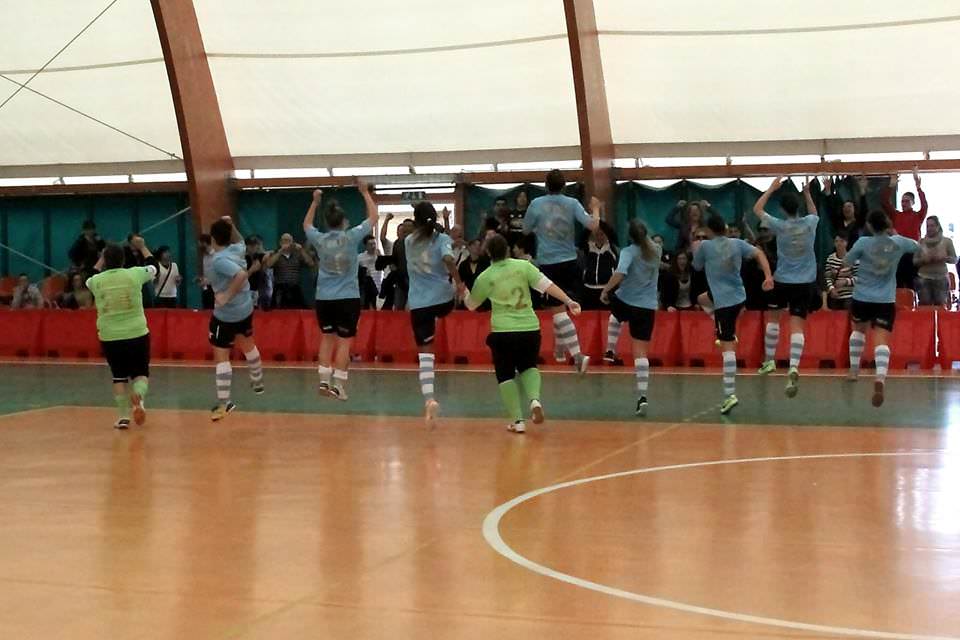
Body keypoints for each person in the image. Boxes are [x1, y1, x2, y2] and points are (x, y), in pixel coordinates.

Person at [464, 234, 580, 433]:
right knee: (529, 366)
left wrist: (465, 293)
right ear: (508, 249)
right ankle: (534, 400)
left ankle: (518, 421)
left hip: (503, 331)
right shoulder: (524, 266)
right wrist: (569, 301)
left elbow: (472, 305)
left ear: (489, 253)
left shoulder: (485, 276)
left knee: (505, 375)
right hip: (529, 328)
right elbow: (547, 285)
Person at [303, 183, 378, 400]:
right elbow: (374, 217)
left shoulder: (319, 239)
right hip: (348, 298)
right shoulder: (351, 237)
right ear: (344, 222)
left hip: (324, 298)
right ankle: (338, 384)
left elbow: (306, 224)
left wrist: (315, 202)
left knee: (327, 338)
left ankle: (323, 380)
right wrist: (365, 192)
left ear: (327, 223)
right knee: (344, 342)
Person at [693, 214, 774, 414]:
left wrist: (695, 248)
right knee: (702, 299)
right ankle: (722, 329)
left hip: (724, 303)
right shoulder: (737, 243)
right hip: (739, 298)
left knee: (727, 347)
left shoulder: (705, 246)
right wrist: (768, 276)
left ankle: (730, 394)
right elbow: (759, 253)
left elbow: (696, 266)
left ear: (709, 230)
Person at [523, 169, 600, 373]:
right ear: (564, 186)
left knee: (557, 311)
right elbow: (593, 225)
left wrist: (539, 228)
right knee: (557, 307)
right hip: (570, 262)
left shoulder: (536, 204)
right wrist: (596, 208)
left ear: (546, 185)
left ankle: (578, 356)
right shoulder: (572, 203)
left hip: (548, 263)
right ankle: (559, 349)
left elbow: (525, 229)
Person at [844, 210, 920, 407]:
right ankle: (880, 378)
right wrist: (894, 234)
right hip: (885, 300)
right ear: (887, 224)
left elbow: (847, 262)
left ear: (869, 226)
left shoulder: (863, 243)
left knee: (858, 331)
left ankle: (854, 370)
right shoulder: (899, 242)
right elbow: (917, 246)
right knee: (881, 340)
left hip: (861, 297)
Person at [752, 177, 819, 398]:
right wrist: (807, 193)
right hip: (805, 282)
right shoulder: (810, 223)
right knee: (797, 326)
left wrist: (771, 188)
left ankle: (770, 360)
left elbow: (757, 209)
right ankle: (794, 366)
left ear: (782, 209)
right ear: (798, 208)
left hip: (782, 281)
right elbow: (814, 212)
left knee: (773, 319)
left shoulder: (779, 225)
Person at [86, 238, 158, 429]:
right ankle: (138, 395)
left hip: (109, 336)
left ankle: (123, 417)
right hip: (137, 332)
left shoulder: (97, 281)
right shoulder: (134, 274)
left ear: (105, 260)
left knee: (118, 376)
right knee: (141, 373)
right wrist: (143, 247)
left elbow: (89, 275)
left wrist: (101, 259)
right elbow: (154, 267)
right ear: (123, 259)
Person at [405, 201, 464, 429]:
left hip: (419, 304)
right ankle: (469, 299)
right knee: (458, 299)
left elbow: (424, 235)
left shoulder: (408, 241)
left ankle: (429, 399)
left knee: (425, 354)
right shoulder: (442, 239)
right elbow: (448, 259)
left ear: (415, 221)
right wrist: (458, 283)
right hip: (443, 300)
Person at [599, 220, 662, 416]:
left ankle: (610, 349)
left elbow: (620, 273)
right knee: (641, 353)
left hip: (626, 301)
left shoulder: (628, 252)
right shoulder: (657, 250)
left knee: (614, 315)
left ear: (630, 237)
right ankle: (642, 396)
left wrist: (606, 290)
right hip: (647, 307)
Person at [208, 217, 265, 421]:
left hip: (227, 313)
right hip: (245, 309)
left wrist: (226, 295)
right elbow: (239, 239)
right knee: (247, 343)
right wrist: (231, 225)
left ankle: (225, 403)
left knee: (221, 355)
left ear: (213, 238)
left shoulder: (219, 259)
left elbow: (240, 275)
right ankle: (257, 381)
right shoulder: (238, 248)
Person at [882, 171, 927, 287]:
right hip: (897, 254)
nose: (903, 203)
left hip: (913, 254)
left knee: (912, 284)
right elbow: (885, 202)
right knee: (898, 284)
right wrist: (891, 185)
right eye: (902, 201)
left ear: (913, 202)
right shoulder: (896, 215)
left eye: (907, 201)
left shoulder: (918, 216)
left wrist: (918, 188)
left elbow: (925, 206)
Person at [913, 215, 957, 306]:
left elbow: (954, 259)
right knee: (925, 306)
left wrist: (944, 258)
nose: (929, 228)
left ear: (938, 226)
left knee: (940, 305)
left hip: (941, 278)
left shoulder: (947, 241)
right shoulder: (921, 242)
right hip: (924, 278)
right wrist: (924, 260)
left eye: (932, 226)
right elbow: (915, 261)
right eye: (927, 226)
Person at [264, 233, 314, 309]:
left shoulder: (297, 254)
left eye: (288, 240)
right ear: (280, 242)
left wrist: (301, 250)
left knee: (299, 309)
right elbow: (268, 265)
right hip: (280, 288)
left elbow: (311, 263)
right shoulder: (275, 253)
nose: (286, 242)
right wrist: (280, 251)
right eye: (284, 240)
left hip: (295, 287)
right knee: (278, 310)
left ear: (292, 242)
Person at [824, 176, 867, 247]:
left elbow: (864, 210)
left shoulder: (859, 222)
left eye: (849, 206)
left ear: (854, 209)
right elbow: (831, 210)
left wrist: (862, 190)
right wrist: (828, 191)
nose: (846, 209)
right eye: (844, 207)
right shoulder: (838, 222)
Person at [824, 231, 857, 310]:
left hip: (849, 296)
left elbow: (860, 278)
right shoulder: (830, 258)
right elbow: (827, 277)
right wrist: (831, 289)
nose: (839, 244)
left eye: (841, 241)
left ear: (846, 243)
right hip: (835, 296)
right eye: (836, 241)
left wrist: (846, 281)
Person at [458, 238, 490, 307]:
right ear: (469, 247)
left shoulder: (486, 262)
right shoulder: (463, 265)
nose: (477, 247)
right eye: (474, 245)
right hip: (468, 299)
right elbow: (461, 282)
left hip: (485, 299)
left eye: (479, 245)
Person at [357, 235, 381, 309]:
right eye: (370, 244)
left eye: (374, 244)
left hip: (378, 288)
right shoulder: (360, 257)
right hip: (365, 289)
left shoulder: (379, 256)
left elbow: (386, 269)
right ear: (366, 246)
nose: (373, 246)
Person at [197, 234, 216, 310]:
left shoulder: (216, 256)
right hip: (206, 289)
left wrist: (208, 281)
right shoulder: (205, 256)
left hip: (215, 289)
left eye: (200, 244)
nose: (199, 247)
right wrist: (201, 278)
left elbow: (220, 275)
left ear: (204, 243)